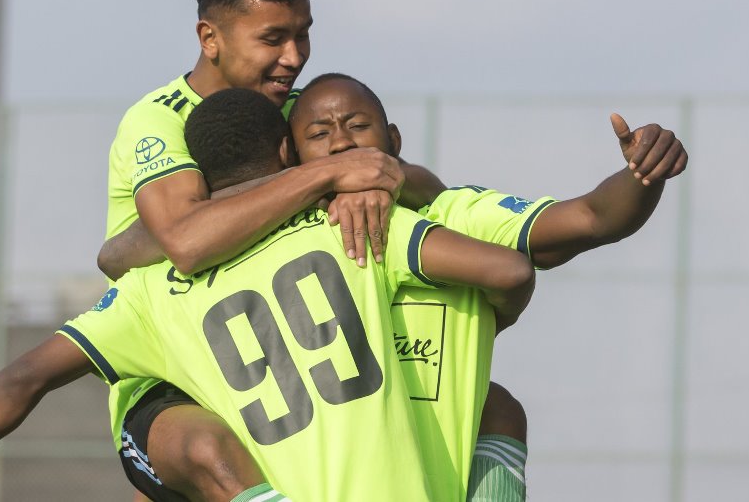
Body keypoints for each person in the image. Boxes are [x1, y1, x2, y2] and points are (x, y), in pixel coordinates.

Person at [0, 88, 537, 502]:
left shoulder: (151, 288)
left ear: (196, 177)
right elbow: (511, 270)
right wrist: (483, 326)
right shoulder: (354, 224)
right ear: (286, 152)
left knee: (191, 454)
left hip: (235, 461)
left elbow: (21, 379)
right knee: (497, 406)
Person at [102, 73, 687, 501]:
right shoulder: (273, 233)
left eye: (358, 127)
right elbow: (129, 252)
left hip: (422, 465)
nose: (341, 143)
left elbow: (590, 218)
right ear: (292, 158)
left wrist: (643, 173)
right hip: (312, 467)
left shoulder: (444, 213)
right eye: (319, 135)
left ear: (395, 139)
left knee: (498, 407)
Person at [101, 0, 444, 501]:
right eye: (272, 38)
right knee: (209, 453)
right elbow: (187, 241)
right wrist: (326, 176)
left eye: (302, 33)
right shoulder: (158, 121)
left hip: (296, 363)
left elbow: (406, 179)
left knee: (491, 405)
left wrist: (376, 182)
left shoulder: (305, 110)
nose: (294, 55)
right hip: (178, 381)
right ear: (209, 38)